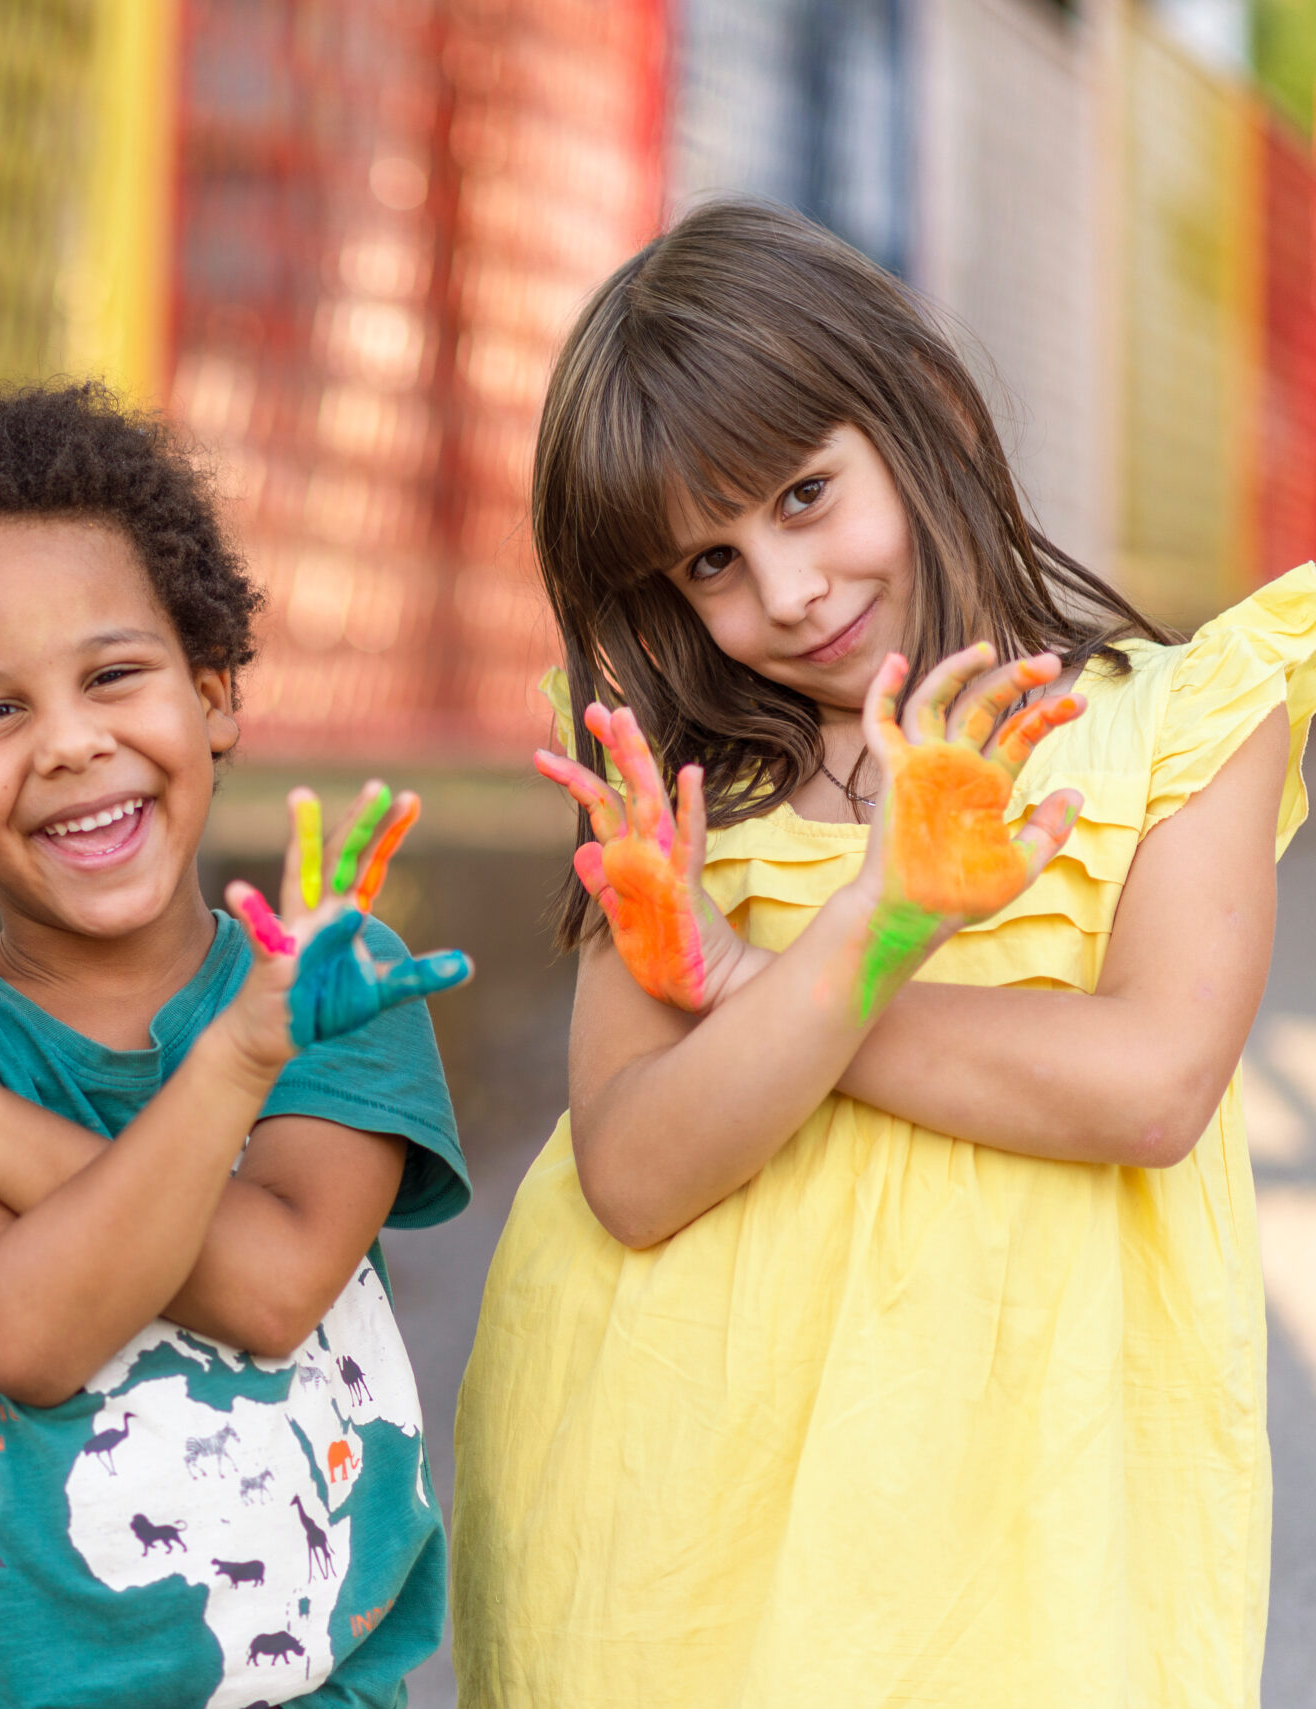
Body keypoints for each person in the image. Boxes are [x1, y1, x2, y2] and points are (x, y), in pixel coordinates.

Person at [453, 200, 1307, 1706]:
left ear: (930, 413)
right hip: (676, 1517)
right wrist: (878, 921)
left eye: (802, 494)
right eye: (706, 565)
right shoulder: (687, 790)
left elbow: (1150, 1084)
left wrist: (758, 996)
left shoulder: (1183, 727)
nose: (785, 593)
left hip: (1030, 1520)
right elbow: (638, 1171)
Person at [0, 382, 476, 1706]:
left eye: (115, 675)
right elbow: (27, 1330)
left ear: (213, 690)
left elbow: (274, 1285)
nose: (73, 742)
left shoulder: (332, 995)